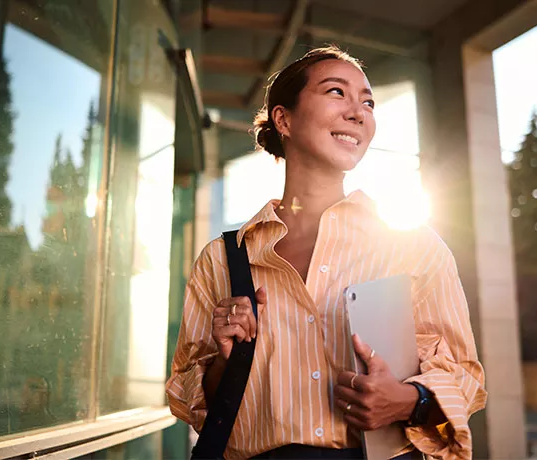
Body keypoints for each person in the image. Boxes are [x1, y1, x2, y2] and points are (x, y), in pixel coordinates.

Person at [166, 46, 487, 460]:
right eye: (337, 92)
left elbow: (464, 376)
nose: (359, 112)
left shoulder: (413, 246)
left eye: (368, 102)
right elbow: (192, 402)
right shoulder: (222, 259)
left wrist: (408, 400)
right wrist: (228, 359)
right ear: (284, 119)